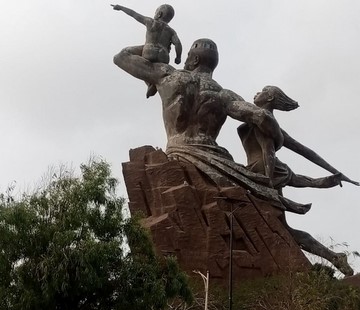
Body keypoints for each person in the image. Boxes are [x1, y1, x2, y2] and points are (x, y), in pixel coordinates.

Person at [114, 38, 293, 212]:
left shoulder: (169, 76)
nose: (184, 63)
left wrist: (152, 47)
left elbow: (121, 57)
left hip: (178, 153)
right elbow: (262, 116)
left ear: (195, 59)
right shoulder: (224, 95)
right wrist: (278, 140)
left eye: (187, 58)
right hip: (217, 165)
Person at [238, 85, 358, 276]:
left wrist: (267, 185)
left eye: (261, 91)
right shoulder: (263, 119)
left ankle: (332, 257)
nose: (256, 93)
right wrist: (336, 172)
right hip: (260, 173)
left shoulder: (263, 120)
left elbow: (268, 151)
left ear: (269, 98)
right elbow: (306, 151)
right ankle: (334, 256)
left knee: (280, 228)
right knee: (284, 229)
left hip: (262, 175)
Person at [111, 4, 182, 97]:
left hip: (150, 51)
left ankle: (150, 83)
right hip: (164, 56)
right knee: (147, 64)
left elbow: (134, 14)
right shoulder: (171, 31)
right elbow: (178, 44)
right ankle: (151, 84)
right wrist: (178, 57)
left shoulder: (151, 22)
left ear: (159, 14)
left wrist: (121, 8)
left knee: (141, 62)